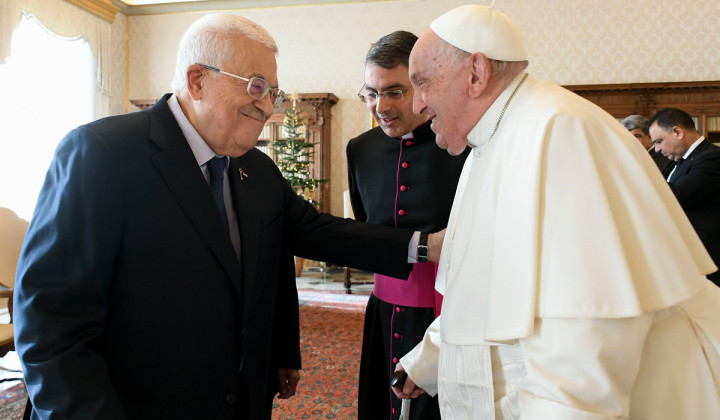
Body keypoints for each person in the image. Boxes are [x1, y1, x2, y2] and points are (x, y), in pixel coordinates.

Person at [13, 14, 443, 420]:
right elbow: (50, 326)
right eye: (257, 87)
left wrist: (425, 245)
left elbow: (317, 232)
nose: (269, 107)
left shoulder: (256, 168)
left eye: (273, 93)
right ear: (197, 80)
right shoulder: (102, 155)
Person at [392, 5, 720, 419]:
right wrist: (430, 359)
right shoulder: (491, 140)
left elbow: (586, 342)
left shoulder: (559, 133)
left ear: (475, 73)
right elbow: (479, 288)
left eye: (422, 83)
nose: (418, 104)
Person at [348, 31, 468, 420]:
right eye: (371, 92)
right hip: (383, 311)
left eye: (394, 92)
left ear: (422, 85)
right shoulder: (359, 149)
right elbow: (366, 229)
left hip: (449, 314)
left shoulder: (461, 145)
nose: (379, 106)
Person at [649, 107, 720, 286]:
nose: (657, 149)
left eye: (659, 141)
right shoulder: (677, 162)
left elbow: (676, 195)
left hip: (709, 257)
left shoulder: (712, 158)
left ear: (677, 132)